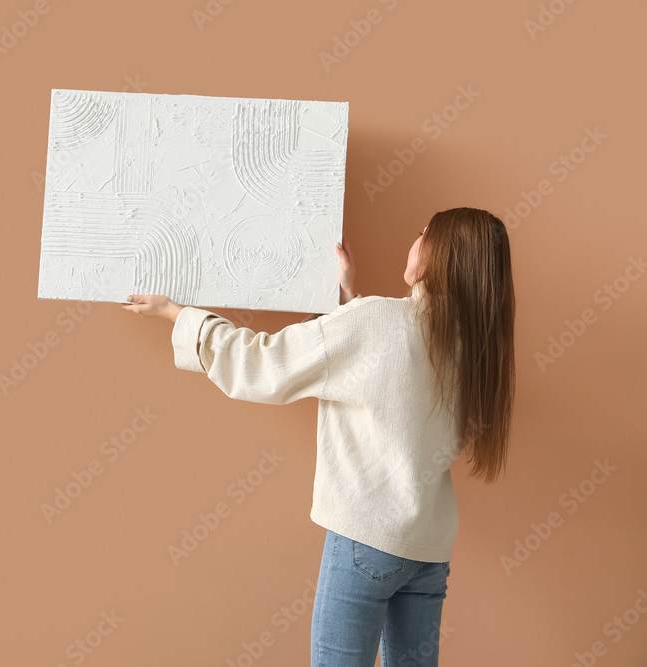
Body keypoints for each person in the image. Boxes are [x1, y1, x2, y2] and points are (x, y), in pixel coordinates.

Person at [121, 207, 516, 667]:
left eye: (421, 234)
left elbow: (263, 365)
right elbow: (393, 385)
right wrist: (349, 297)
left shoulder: (378, 323)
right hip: (427, 550)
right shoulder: (477, 351)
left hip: (365, 540)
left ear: (439, 254)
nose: (414, 243)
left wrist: (175, 312)